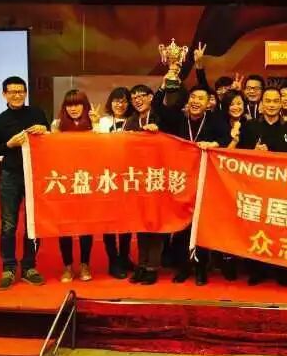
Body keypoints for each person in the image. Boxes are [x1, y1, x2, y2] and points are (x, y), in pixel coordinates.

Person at [153, 73, 230, 285]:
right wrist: (163, 87)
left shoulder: (215, 120)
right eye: (193, 97)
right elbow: (158, 109)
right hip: (180, 181)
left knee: (199, 225)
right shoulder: (179, 117)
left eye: (201, 98)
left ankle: (200, 269)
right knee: (181, 226)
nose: (196, 101)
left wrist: (214, 144)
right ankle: (183, 267)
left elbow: (226, 138)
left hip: (205, 180)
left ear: (208, 103)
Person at [0, 76, 50, 290]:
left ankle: (29, 267)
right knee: (8, 224)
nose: (17, 95)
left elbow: (49, 139)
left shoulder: (37, 113)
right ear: (4, 94)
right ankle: (8, 267)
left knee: (32, 223)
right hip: (11, 175)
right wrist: (9, 144)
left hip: (35, 174)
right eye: (12, 91)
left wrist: (44, 130)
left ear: (25, 92)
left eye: (20, 91)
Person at [238, 86, 287, 287]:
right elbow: (239, 156)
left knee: (281, 227)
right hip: (256, 188)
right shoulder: (250, 127)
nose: (272, 105)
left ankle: (282, 270)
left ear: (281, 104)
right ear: (261, 104)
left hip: (283, 188)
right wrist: (253, 152)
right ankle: (257, 270)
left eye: (276, 101)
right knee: (257, 227)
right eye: (268, 101)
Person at [51, 89, 100, 282]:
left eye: (77, 104)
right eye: (69, 105)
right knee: (65, 227)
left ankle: (85, 264)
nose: (73, 108)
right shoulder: (57, 125)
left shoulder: (94, 123)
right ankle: (67, 266)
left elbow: (103, 148)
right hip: (65, 181)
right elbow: (51, 150)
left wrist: (96, 124)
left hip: (87, 180)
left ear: (85, 106)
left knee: (86, 225)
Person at [124, 83, 163, 284]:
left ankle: (152, 267)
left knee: (155, 224)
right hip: (138, 178)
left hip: (158, 177)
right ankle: (141, 264)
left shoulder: (161, 117)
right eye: (133, 98)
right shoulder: (131, 121)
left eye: (141, 96)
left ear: (150, 97)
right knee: (140, 224)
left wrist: (158, 131)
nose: (137, 100)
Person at [97, 86, 136, 278]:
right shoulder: (103, 122)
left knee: (127, 220)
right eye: (116, 101)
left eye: (123, 101)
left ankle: (124, 256)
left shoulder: (134, 120)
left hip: (129, 176)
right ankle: (113, 260)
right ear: (110, 102)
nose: (119, 104)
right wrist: (94, 124)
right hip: (108, 177)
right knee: (109, 221)